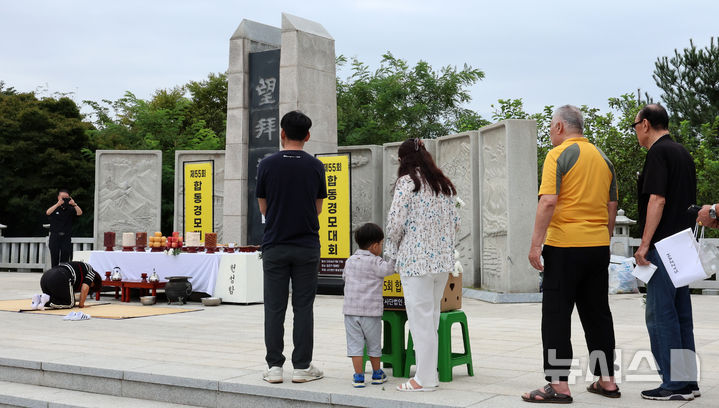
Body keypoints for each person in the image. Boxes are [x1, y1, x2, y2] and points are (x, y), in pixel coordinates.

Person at [523, 105, 619, 403]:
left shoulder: (558, 155)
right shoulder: (604, 159)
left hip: (564, 247)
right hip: (597, 247)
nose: (551, 132)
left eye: (551, 127)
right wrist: (603, 237)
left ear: (561, 127)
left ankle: (559, 385)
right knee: (597, 315)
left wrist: (536, 243)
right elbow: (611, 206)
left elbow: (548, 201)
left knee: (556, 317)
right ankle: (607, 381)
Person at [633, 103, 699, 401]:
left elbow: (657, 200)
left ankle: (673, 384)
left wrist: (644, 244)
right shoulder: (683, 152)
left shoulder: (658, 153)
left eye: (635, 126)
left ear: (645, 124)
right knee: (681, 315)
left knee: (660, 315)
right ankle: (688, 382)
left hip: (663, 247)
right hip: (683, 244)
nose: (636, 132)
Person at [256, 110, 327, 384]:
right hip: (307, 245)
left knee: (274, 307)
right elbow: (318, 207)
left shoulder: (267, 164)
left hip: (274, 244)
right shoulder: (315, 166)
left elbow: (263, 206)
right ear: (308, 136)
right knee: (303, 307)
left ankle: (274, 367)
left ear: (282, 134)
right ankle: (302, 366)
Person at [385, 138, 459, 392]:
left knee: (420, 322)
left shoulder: (407, 183)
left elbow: (395, 224)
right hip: (441, 263)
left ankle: (424, 379)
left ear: (403, 160)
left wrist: (391, 254)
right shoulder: (444, 185)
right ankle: (430, 375)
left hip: (416, 262)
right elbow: (456, 225)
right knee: (432, 320)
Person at [342, 223, 395, 388]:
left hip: (350, 311)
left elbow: (344, 277)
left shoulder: (350, 261)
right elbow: (390, 270)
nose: (381, 247)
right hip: (371, 313)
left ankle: (358, 377)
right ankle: (377, 374)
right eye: (381, 244)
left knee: (355, 345)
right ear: (374, 246)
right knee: (374, 344)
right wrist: (394, 256)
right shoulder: (376, 262)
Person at [32, 261, 102, 310]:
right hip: (60, 276)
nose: (90, 288)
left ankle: (39, 299)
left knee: (58, 298)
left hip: (46, 276)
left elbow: (73, 295)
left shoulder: (81, 268)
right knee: (70, 303)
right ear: (95, 282)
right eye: (91, 287)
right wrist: (81, 304)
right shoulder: (91, 272)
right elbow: (85, 288)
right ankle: (48, 300)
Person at [46, 189, 82, 267]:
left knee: (65, 255)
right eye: (62, 197)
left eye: (66, 197)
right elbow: (48, 212)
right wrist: (57, 204)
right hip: (55, 235)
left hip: (66, 236)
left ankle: (63, 273)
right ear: (58, 197)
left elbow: (79, 213)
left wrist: (74, 204)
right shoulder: (55, 208)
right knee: (54, 255)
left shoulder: (71, 209)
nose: (64, 199)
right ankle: (54, 274)